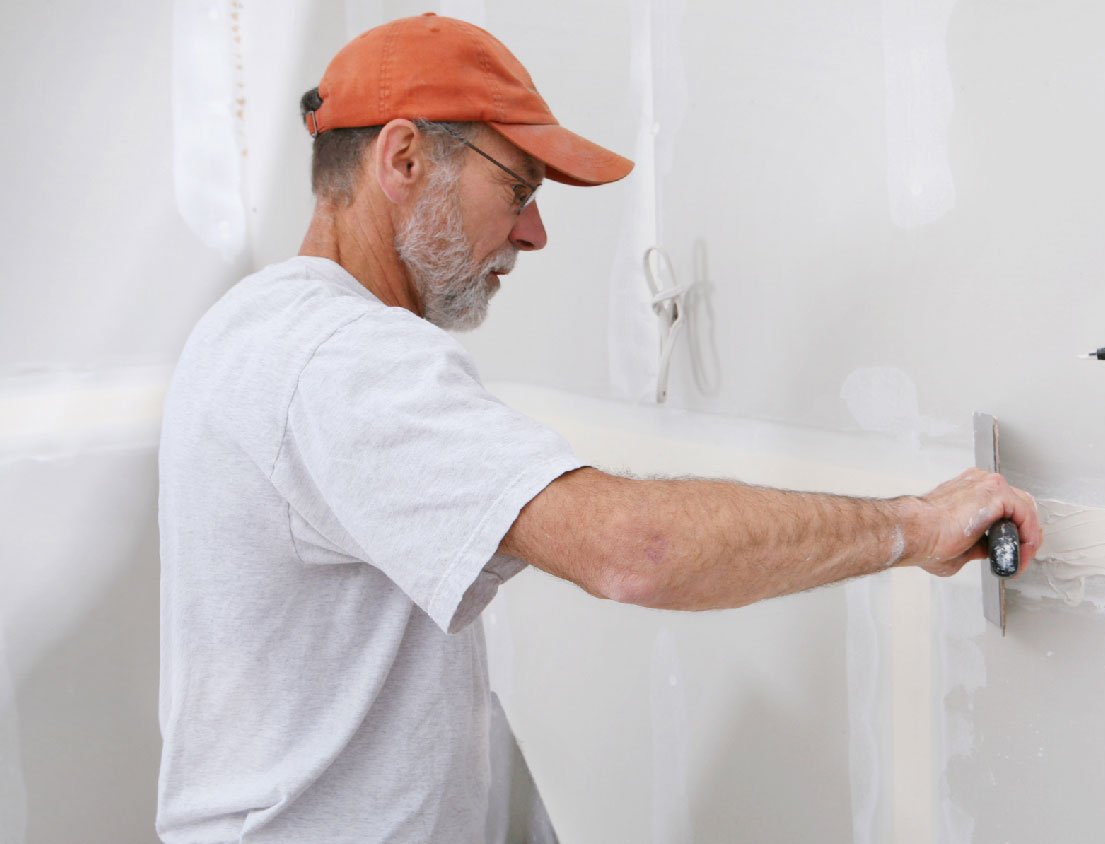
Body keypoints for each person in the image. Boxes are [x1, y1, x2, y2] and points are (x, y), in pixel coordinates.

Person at [156, 13, 1041, 843]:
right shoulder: (344, 361)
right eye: (518, 187)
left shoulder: (257, 327)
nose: (534, 233)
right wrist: (914, 525)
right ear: (404, 160)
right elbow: (636, 549)